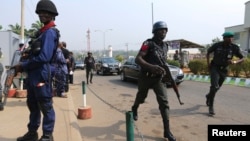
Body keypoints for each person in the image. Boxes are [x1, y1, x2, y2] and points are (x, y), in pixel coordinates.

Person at [13, 0, 59, 140]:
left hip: (42, 74)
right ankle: (32, 133)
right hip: (34, 75)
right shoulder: (41, 33)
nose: (42, 15)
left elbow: (44, 57)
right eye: (40, 13)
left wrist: (24, 65)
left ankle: (47, 135)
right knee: (32, 105)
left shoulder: (50, 33)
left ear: (52, 15)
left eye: (45, 13)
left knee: (45, 106)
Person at [131, 21, 176, 141]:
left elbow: (163, 62)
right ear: (155, 31)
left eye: (165, 30)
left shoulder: (165, 46)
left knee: (164, 103)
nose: (164, 32)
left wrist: (165, 73)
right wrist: (151, 67)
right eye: (162, 30)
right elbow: (138, 59)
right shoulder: (148, 43)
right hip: (145, 76)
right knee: (141, 97)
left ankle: (167, 131)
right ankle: (134, 108)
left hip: (158, 80)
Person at [205, 31, 244, 116]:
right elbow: (208, 52)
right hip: (215, 68)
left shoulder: (234, 48)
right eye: (228, 37)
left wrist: (235, 62)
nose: (231, 39)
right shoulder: (217, 45)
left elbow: (242, 58)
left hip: (224, 70)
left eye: (231, 37)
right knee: (214, 86)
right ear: (224, 38)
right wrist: (208, 65)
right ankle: (211, 106)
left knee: (217, 87)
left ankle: (208, 95)